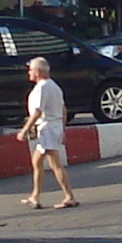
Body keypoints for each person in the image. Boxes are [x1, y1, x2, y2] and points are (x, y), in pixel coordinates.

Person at [20, 54, 78, 209]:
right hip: (54, 127)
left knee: (55, 164)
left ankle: (69, 196)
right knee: (37, 162)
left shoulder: (42, 88)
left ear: (38, 71)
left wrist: (25, 129)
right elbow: (63, 109)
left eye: (31, 70)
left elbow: (37, 112)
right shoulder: (54, 86)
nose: (29, 73)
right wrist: (62, 129)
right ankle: (35, 196)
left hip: (47, 128)